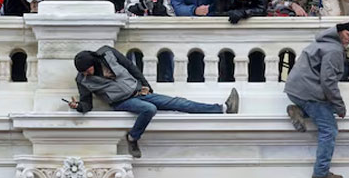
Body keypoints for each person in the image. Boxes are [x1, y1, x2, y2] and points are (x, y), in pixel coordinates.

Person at [70, 46, 239, 158]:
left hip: (139, 92)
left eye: (87, 69)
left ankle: (222, 108)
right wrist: (78, 106)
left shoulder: (108, 53)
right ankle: (133, 138)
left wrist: (146, 86)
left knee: (178, 103)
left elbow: (131, 67)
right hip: (121, 102)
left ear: (93, 62)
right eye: (83, 72)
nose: (86, 73)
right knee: (149, 109)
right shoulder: (83, 80)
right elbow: (87, 104)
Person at [284, 20, 349, 178]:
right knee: (329, 130)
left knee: (324, 109)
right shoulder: (334, 50)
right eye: (348, 34)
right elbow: (328, 82)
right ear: (339, 32)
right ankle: (321, 173)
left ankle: (300, 111)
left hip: (295, 90)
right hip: (309, 92)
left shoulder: (322, 42)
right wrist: (340, 107)